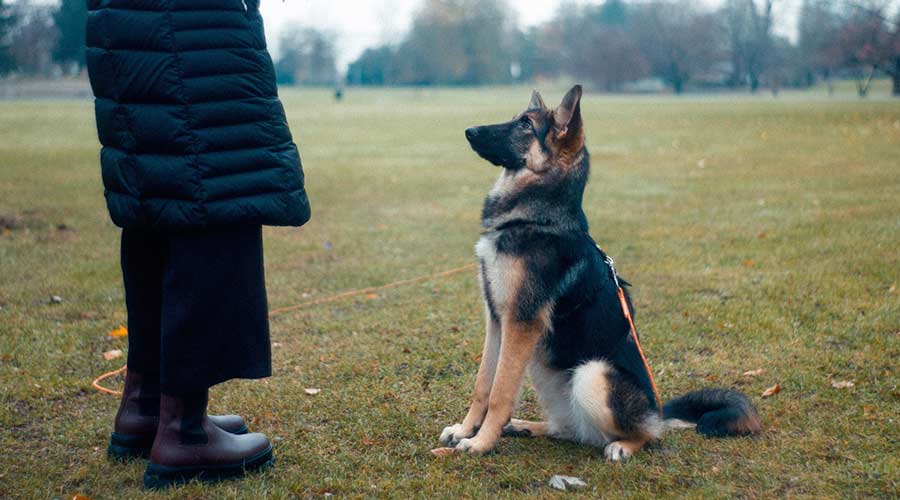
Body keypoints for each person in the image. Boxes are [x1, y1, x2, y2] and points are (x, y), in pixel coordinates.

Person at [85, 0, 310, 489]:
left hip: (129, 27)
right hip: (190, 26)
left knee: (163, 193)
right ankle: (184, 429)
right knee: (217, 191)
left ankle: (146, 407)